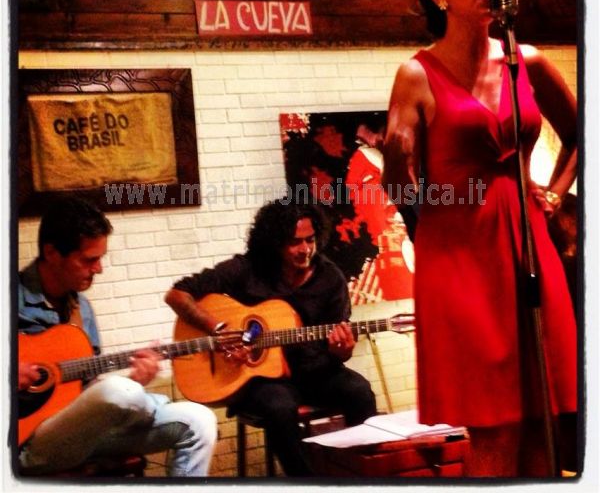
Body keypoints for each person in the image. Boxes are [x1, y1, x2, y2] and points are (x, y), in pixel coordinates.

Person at [381, 0, 577, 477]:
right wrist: (396, 160)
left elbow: (580, 132)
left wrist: (555, 191)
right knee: (494, 425)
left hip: (528, 246)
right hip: (459, 255)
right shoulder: (416, 74)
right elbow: (402, 185)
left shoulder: (526, 61)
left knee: (541, 419)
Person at [165, 198, 377, 476]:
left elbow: (339, 349)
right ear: (274, 242)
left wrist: (343, 350)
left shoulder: (330, 278)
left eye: (310, 240)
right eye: (294, 242)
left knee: (360, 392)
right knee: (279, 407)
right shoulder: (248, 269)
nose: (305, 249)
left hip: (315, 373)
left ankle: (361, 474)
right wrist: (217, 328)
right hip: (261, 380)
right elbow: (177, 295)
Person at [17, 196, 218, 476]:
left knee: (200, 420)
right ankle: (143, 404)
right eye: (89, 260)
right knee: (119, 391)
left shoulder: (81, 309)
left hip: (85, 433)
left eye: (100, 259)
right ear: (52, 253)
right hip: (30, 442)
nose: (98, 269)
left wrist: (135, 381)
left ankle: (139, 403)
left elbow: (88, 389)